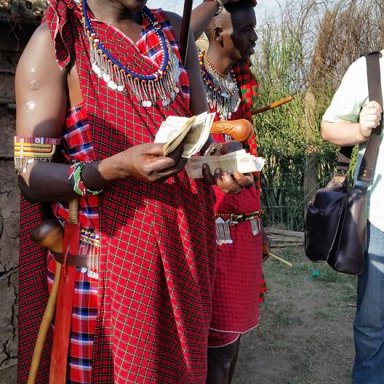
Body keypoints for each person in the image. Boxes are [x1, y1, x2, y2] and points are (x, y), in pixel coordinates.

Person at [14, 0, 255, 383]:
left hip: (184, 258)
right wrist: (110, 169)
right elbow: (29, 175)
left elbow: (198, 143)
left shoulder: (174, 34)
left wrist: (219, 161)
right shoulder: (58, 41)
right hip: (104, 272)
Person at [191, 2, 266, 383]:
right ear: (219, 33)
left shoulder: (241, 85)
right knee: (210, 345)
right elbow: (179, 36)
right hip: (207, 229)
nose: (254, 37)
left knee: (231, 342)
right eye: (247, 29)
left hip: (243, 231)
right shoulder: (188, 77)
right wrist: (215, 2)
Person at [321, 53, 384, 384]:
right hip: (378, 224)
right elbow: (328, 127)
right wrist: (360, 128)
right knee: (373, 326)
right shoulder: (370, 69)